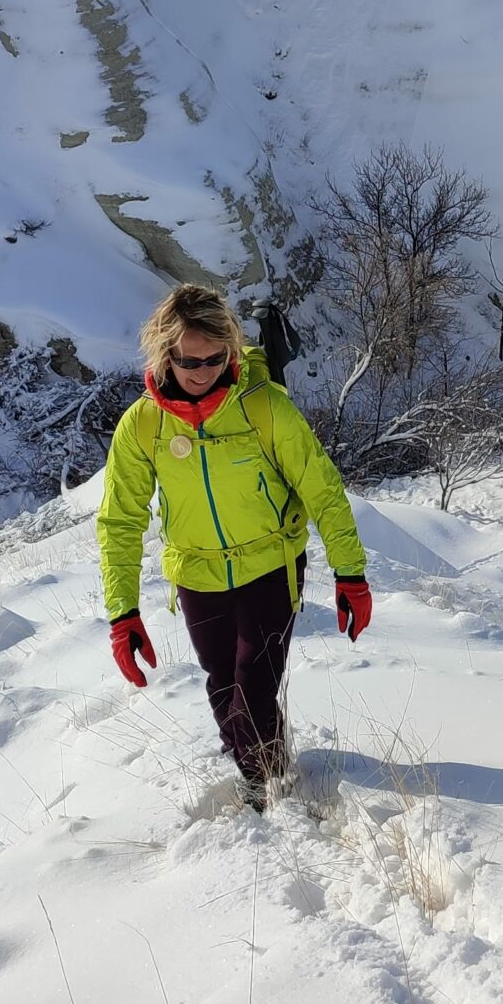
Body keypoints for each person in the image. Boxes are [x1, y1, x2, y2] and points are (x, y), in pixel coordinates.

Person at [97, 283, 373, 808]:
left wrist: (350, 574)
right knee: (222, 684)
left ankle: (260, 787)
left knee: (253, 684)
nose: (201, 372)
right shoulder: (144, 425)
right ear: (163, 354)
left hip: (272, 560)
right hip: (196, 572)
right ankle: (267, 761)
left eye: (214, 358)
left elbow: (322, 488)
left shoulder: (263, 406)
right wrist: (122, 613)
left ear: (230, 347)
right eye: (187, 360)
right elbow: (120, 520)